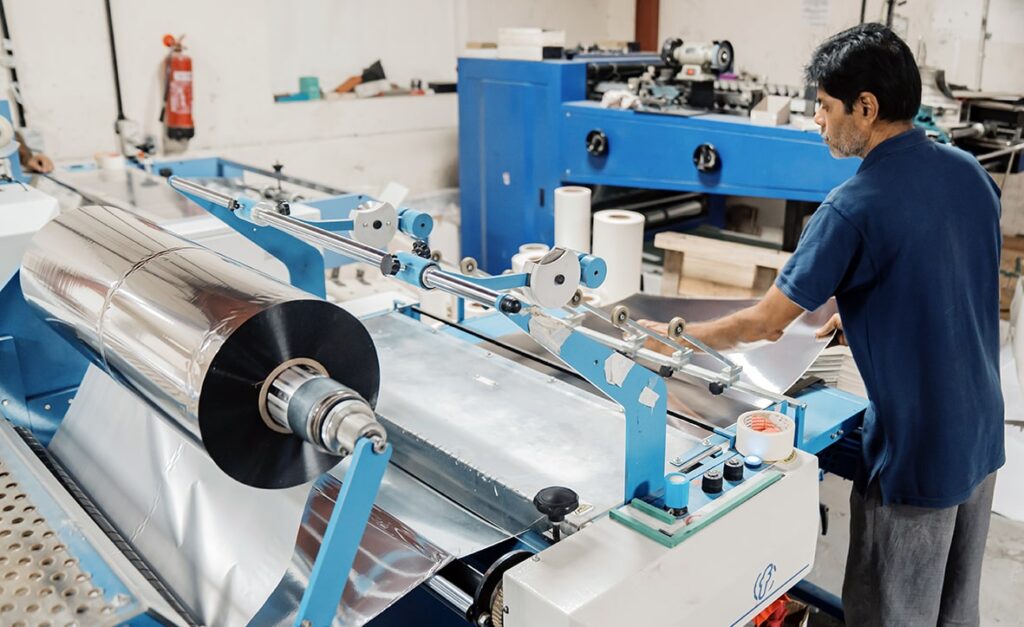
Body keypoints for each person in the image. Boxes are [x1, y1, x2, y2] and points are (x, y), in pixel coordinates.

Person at [642, 23, 1003, 626]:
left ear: (866, 107)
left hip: (917, 454)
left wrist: (672, 338)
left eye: (825, 105)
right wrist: (869, 306)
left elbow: (766, 323)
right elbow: (947, 267)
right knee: (954, 612)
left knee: (892, 614)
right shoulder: (970, 172)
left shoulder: (853, 206)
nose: (816, 120)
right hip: (982, 434)